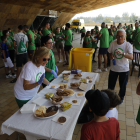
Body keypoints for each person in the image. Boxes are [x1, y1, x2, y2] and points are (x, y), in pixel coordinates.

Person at [108, 29, 133, 104]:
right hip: (113, 68)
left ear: (124, 36)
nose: (120, 38)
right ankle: (110, 98)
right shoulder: (113, 43)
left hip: (124, 69)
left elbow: (131, 57)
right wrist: (110, 56)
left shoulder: (128, 45)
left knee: (122, 86)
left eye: (121, 36)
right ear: (116, 36)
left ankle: (121, 98)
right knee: (111, 85)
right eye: (118, 36)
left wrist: (123, 53)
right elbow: (109, 52)